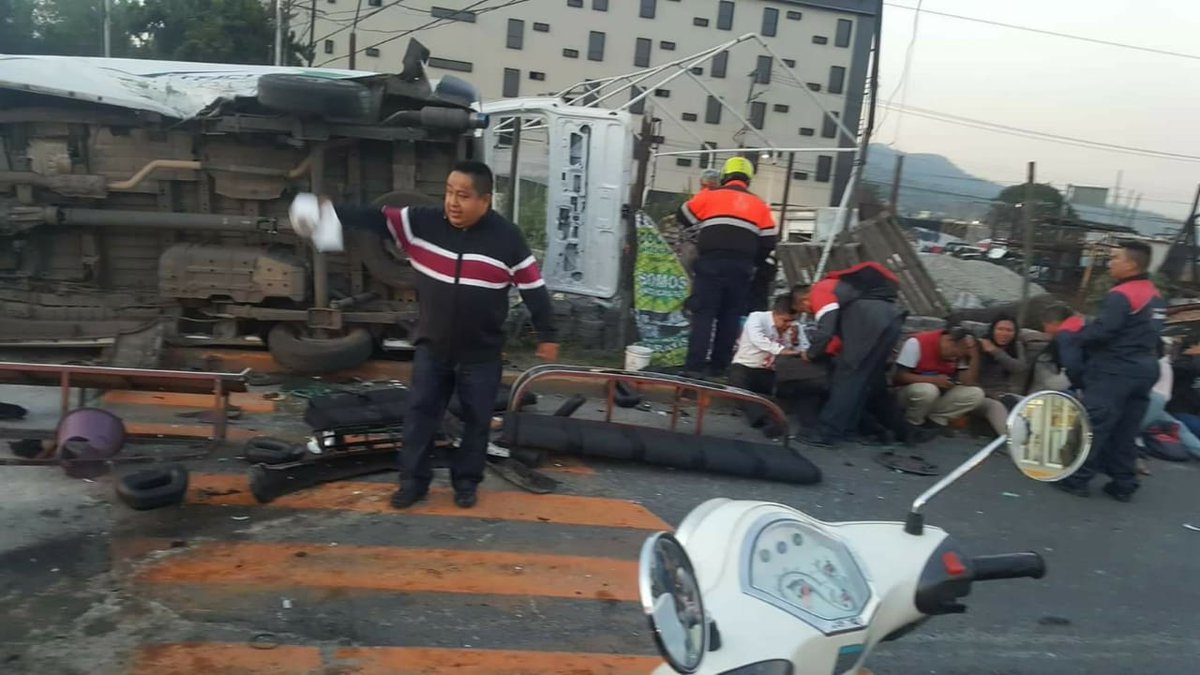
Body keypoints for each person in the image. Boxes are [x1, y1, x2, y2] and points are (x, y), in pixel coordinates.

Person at [293, 160, 558, 510]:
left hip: (481, 354)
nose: (452, 202)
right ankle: (413, 483)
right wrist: (332, 211)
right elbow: (376, 218)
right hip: (432, 349)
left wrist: (547, 335)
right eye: (449, 192)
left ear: (485, 200)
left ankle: (466, 483)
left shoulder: (507, 238)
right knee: (420, 417)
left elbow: (533, 288)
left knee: (477, 423)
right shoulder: (422, 224)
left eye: (463, 195)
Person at [1056, 241, 1165, 502]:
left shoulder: (1122, 294)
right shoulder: (1156, 295)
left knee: (1095, 424)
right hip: (1145, 369)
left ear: (1131, 264)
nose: (1110, 262)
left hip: (1116, 370)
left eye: (1115, 258)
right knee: (1126, 430)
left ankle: (1077, 479)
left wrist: (1077, 336)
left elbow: (1104, 331)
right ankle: (1124, 483)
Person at [677, 156, 777, 378]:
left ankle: (694, 369)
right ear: (748, 179)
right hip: (741, 268)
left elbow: (683, 215)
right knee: (730, 316)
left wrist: (706, 195)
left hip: (711, 263)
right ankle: (719, 368)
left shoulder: (712, 196)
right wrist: (753, 263)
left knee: (703, 314)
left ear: (724, 176)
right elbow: (769, 241)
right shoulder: (760, 205)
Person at [800, 262, 906, 447]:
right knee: (863, 381)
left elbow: (826, 330)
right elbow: (839, 338)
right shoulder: (851, 292)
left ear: (805, 300)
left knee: (847, 378)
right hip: (891, 320)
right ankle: (847, 430)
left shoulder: (819, 290)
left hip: (869, 321)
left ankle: (826, 433)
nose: (810, 313)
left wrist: (811, 354)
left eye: (806, 310)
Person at [893, 326, 985, 440]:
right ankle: (912, 423)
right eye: (955, 353)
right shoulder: (916, 343)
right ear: (949, 341)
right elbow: (899, 376)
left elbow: (968, 382)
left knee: (975, 394)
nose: (955, 358)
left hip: (937, 396)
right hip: (909, 395)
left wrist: (974, 355)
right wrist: (934, 380)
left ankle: (934, 422)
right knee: (928, 390)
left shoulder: (959, 354)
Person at [973, 316, 1028, 435]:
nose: (1004, 333)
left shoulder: (1016, 346)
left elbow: (1019, 368)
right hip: (979, 394)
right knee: (996, 406)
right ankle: (1013, 439)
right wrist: (991, 394)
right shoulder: (978, 346)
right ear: (992, 330)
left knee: (1031, 403)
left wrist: (995, 351)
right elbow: (968, 380)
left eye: (1009, 330)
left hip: (1004, 394)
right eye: (1000, 329)